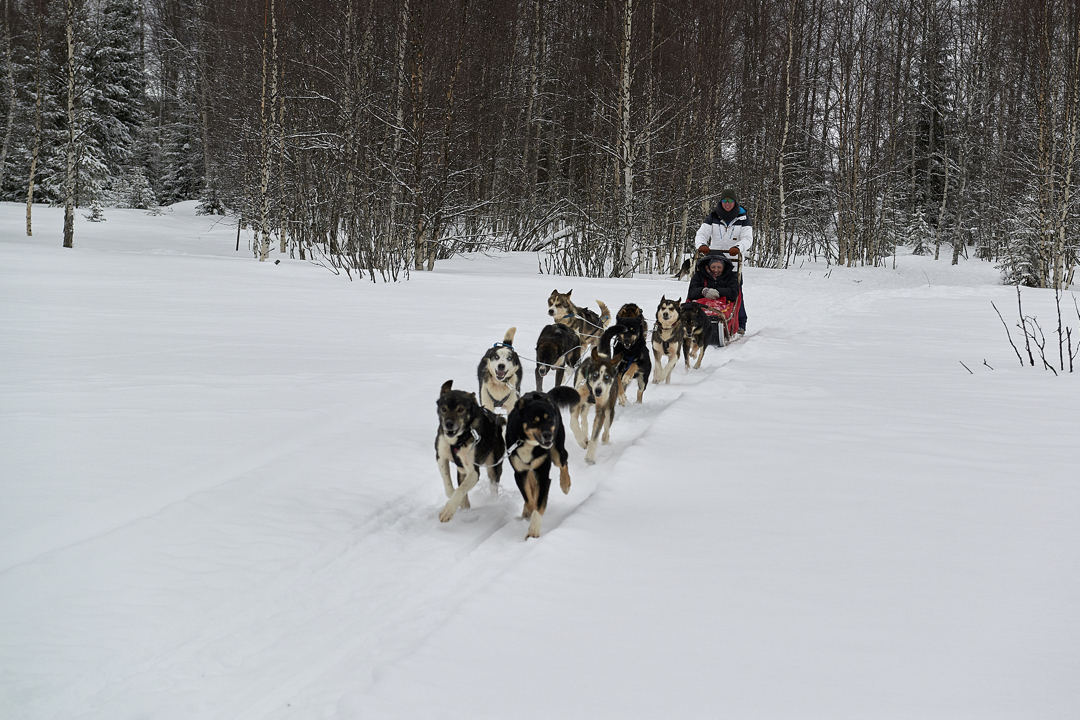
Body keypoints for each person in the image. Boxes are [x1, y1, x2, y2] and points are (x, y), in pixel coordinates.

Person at [692, 189, 751, 333]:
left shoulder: (743, 218)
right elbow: (702, 234)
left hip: (732, 262)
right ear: (721, 202)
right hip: (713, 261)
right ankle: (702, 317)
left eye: (730, 201)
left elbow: (747, 238)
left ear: (735, 202)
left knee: (735, 293)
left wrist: (738, 247)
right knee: (705, 289)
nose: (727, 204)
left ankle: (740, 322)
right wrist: (702, 246)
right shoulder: (713, 217)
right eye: (725, 201)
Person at [687, 252, 744, 343]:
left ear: (724, 267)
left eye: (719, 267)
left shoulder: (730, 276)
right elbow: (692, 292)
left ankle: (719, 328)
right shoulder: (700, 275)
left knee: (722, 312)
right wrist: (703, 291)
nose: (716, 270)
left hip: (723, 302)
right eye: (713, 267)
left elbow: (734, 293)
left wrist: (718, 292)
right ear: (708, 266)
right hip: (700, 301)